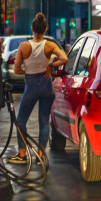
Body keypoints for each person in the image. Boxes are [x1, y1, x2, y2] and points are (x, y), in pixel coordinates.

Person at [8, 13, 69, 164]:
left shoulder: (24, 46)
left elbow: (16, 70)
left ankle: (22, 155)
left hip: (31, 86)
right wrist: (50, 65)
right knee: (44, 122)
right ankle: (40, 156)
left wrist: (26, 71)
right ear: (45, 29)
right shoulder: (50, 45)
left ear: (32, 29)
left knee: (21, 120)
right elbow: (64, 59)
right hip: (47, 85)